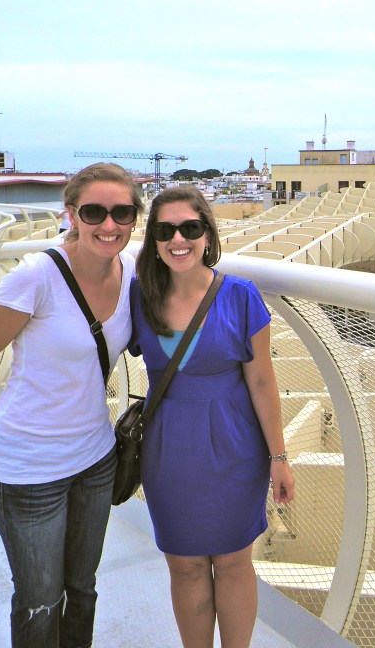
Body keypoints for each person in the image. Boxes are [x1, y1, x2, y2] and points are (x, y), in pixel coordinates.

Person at [0, 162, 143, 647]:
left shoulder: (131, 271)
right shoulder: (37, 276)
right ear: (71, 214)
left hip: (95, 459)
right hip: (28, 467)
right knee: (40, 599)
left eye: (122, 213)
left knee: (81, 591)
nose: (109, 225)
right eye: (94, 212)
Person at [129, 185, 295, 648]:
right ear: (154, 240)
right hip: (169, 451)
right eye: (165, 230)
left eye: (190, 227)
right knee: (184, 564)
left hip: (234, 448)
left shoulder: (239, 296)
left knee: (232, 561)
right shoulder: (139, 295)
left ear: (207, 234)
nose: (178, 238)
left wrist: (279, 456)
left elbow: (262, 381)